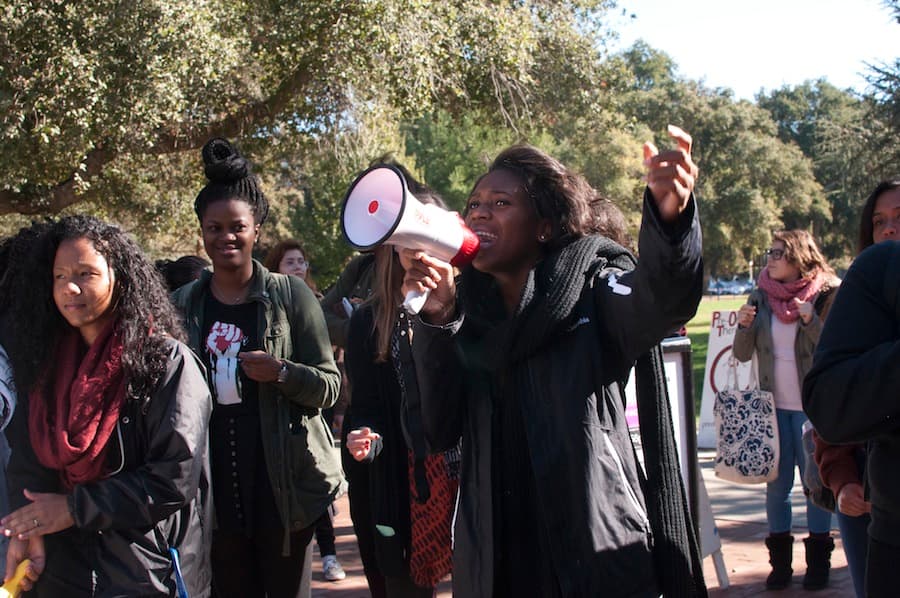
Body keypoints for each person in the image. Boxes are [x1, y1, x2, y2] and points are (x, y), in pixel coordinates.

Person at [399, 126, 706, 597]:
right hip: (497, 564)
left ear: (544, 224)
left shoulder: (593, 289)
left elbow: (662, 300)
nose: (480, 211)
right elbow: (436, 429)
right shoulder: (464, 315)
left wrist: (670, 222)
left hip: (592, 556)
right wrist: (437, 319)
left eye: (501, 203)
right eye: (475, 203)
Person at [0, 215, 212, 596]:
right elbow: (28, 462)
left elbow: (172, 479)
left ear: (121, 278)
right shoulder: (44, 365)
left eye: (86, 273)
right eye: (60, 276)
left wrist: (73, 508)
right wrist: (27, 530)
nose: (70, 288)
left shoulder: (166, 363)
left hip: (146, 573)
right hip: (62, 572)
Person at [171, 138, 344, 598]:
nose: (225, 237)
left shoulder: (291, 296)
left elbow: (330, 386)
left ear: (256, 230)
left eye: (237, 227)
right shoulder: (182, 306)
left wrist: (282, 373)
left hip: (283, 486)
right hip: (216, 490)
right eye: (214, 228)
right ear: (202, 232)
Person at [345, 227, 459, 596]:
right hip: (404, 484)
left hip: (469, 475)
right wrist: (367, 436)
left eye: (430, 237)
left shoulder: (478, 301)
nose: (419, 251)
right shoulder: (369, 320)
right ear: (394, 249)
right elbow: (366, 408)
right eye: (409, 240)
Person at [732, 229, 840, 590]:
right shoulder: (760, 296)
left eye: (778, 253)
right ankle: (780, 567)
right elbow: (742, 353)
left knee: (815, 486)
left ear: (798, 258)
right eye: (770, 252)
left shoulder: (826, 295)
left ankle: (819, 566)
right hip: (772, 409)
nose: (770, 259)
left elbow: (835, 349)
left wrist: (811, 321)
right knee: (776, 489)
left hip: (811, 411)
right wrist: (744, 327)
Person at [811, 178, 900, 597]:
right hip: (881, 509)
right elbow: (831, 407)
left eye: (899, 219)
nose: (888, 229)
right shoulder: (862, 292)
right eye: (879, 221)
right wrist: (842, 478)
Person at [265, 238, 346, 583]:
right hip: (280, 414)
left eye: (301, 262)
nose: (298, 267)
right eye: (289, 263)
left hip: (317, 406)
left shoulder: (317, 304)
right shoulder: (267, 305)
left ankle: (329, 555)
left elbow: (335, 363)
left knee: (316, 483)